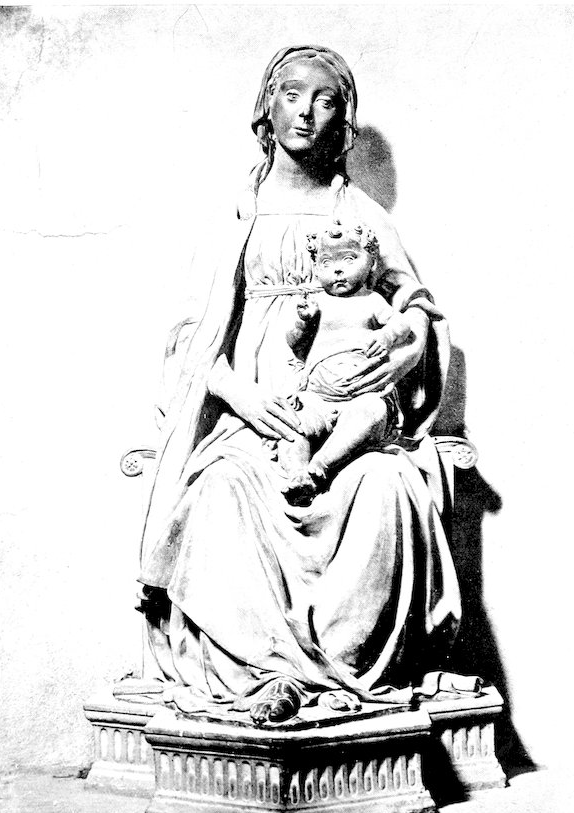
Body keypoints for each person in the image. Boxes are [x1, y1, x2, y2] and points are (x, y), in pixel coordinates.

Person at [137, 45, 463, 726]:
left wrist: (406, 342)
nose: (307, 112)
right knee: (220, 490)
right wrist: (243, 398)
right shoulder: (238, 214)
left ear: (343, 118)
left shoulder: (358, 214)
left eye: (325, 100)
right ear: (268, 106)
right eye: (292, 94)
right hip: (250, 415)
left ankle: (338, 667)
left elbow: (415, 305)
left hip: (342, 415)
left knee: (388, 486)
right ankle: (262, 672)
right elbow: (190, 338)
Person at [278, 218, 414, 506]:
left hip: (359, 398)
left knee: (372, 411)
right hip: (317, 398)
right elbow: (293, 342)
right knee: (293, 422)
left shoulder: (372, 301)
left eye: (348, 259)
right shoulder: (317, 304)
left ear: (371, 263)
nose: (337, 269)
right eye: (326, 263)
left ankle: (320, 467)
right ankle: (296, 474)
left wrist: (387, 336)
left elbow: (402, 326)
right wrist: (302, 322)